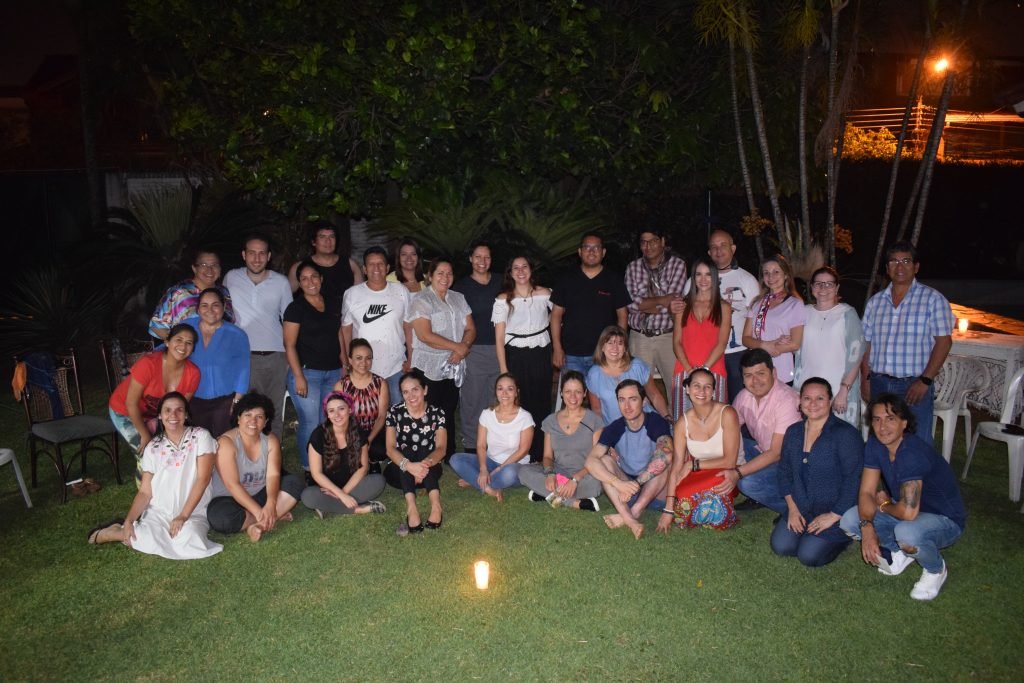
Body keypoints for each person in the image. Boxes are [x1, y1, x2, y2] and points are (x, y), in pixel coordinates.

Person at [840, 394, 966, 600]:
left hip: (944, 519)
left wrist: (885, 505)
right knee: (850, 520)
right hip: (904, 510)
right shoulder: (875, 444)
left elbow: (908, 513)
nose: (882, 427)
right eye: (877, 419)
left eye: (890, 419)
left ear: (904, 423)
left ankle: (936, 569)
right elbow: (867, 492)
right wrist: (867, 527)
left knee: (906, 532)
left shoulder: (912, 453)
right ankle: (899, 551)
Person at [87, 393, 222, 560]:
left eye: (179, 410)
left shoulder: (201, 436)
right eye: (167, 410)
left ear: (186, 414)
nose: (173, 415)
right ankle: (115, 532)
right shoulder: (153, 447)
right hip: (160, 512)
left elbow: (203, 479)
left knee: (191, 541)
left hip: (193, 511)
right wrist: (129, 521)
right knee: (143, 538)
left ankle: (126, 532)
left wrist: (183, 516)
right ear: (160, 415)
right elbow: (145, 492)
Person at [861, 241, 954, 446]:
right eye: (894, 262)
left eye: (906, 261)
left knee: (916, 443)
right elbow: (867, 344)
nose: (899, 267)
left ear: (916, 267)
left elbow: (944, 343)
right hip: (879, 383)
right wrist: (866, 378)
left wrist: (925, 380)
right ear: (887, 269)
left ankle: (917, 470)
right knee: (881, 439)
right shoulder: (876, 303)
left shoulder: (933, 300)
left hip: (913, 385)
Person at [771, 378, 863, 567]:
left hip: (834, 510)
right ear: (800, 401)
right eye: (807, 398)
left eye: (820, 398)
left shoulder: (845, 434)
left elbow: (854, 479)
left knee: (809, 556)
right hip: (801, 507)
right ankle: (805, 529)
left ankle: (845, 536)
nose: (813, 404)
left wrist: (834, 515)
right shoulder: (793, 432)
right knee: (782, 547)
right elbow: (784, 472)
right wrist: (793, 509)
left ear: (830, 401)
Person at [108, 323, 201, 486]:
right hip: (124, 411)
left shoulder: (193, 373)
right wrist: (145, 435)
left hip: (155, 415)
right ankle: (146, 495)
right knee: (147, 453)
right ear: (167, 342)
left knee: (167, 450)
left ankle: (168, 489)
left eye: (189, 343)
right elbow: (131, 403)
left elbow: (179, 409)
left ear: (193, 348)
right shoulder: (149, 364)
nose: (183, 346)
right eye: (178, 340)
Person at [224, 232, 294, 440]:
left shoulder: (281, 282)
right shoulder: (231, 278)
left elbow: (290, 321)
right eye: (252, 253)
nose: (257, 258)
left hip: (276, 356)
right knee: (247, 412)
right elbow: (223, 314)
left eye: (262, 253)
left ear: (269, 256)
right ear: (243, 255)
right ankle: (248, 454)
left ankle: (273, 455)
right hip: (243, 357)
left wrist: (290, 356)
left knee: (274, 412)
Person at [207, 392, 304, 541]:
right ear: (238, 418)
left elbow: (273, 475)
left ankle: (258, 524)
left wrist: (271, 502)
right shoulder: (226, 443)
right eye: (248, 415)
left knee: (294, 483)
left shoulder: (271, 441)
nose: (253, 421)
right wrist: (259, 513)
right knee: (220, 518)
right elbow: (233, 485)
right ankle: (274, 516)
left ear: (265, 422)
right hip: (231, 498)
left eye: (259, 417)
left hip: (261, 494)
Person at [585, 380, 673, 540]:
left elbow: (666, 455)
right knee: (603, 461)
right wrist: (619, 483)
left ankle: (632, 514)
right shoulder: (615, 427)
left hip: (656, 493)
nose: (627, 406)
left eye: (633, 399)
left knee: (662, 462)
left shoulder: (656, 422)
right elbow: (590, 461)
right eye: (622, 400)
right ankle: (631, 520)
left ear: (644, 401)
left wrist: (636, 484)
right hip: (627, 492)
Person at [656, 368, 740, 533]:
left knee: (690, 498)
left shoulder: (727, 413)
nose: (702, 391)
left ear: (713, 391)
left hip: (724, 472)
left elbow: (730, 461)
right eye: (696, 386)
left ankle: (715, 510)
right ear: (687, 389)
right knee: (681, 494)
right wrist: (668, 509)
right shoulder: (683, 423)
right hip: (699, 473)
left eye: (707, 387)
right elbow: (677, 466)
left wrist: (692, 465)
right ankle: (705, 510)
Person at [406, 258, 475, 458]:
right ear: (430, 275)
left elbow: (471, 328)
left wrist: (462, 348)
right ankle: (424, 452)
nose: (445, 277)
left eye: (449, 273)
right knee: (427, 410)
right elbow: (425, 335)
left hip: (453, 364)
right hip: (429, 366)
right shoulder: (421, 299)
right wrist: (458, 347)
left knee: (448, 409)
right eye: (440, 273)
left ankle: (447, 451)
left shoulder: (458, 298)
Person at [720, 349, 802, 513]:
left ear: (774, 373)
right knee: (727, 444)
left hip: (791, 465)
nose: (755, 381)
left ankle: (793, 508)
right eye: (748, 375)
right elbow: (727, 430)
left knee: (747, 482)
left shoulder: (787, 400)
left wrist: (737, 472)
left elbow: (776, 453)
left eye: (760, 373)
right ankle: (761, 495)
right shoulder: (744, 396)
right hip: (764, 451)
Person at [284, 260, 344, 474]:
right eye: (304, 278)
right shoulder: (295, 308)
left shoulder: (332, 302)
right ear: (299, 283)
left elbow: (338, 334)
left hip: (333, 371)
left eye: (314, 277)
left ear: (321, 278)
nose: (310, 282)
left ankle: (325, 462)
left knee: (327, 420)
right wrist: (299, 375)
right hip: (307, 373)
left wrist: (344, 364)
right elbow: (289, 345)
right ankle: (309, 467)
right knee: (310, 422)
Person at [493, 255, 553, 460]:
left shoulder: (545, 294)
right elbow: (499, 338)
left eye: (524, 266)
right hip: (515, 356)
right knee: (520, 402)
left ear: (531, 270)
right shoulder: (503, 299)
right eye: (515, 268)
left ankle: (541, 452)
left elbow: (559, 316)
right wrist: (504, 370)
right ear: (510, 273)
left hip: (540, 353)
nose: (520, 271)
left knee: (541, 401)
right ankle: (520, 452)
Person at [519, 371, 603, 511]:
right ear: (561, 393)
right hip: (559, 472)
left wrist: (575, 480)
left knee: (597, 484)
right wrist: (550, 473)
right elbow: (547, 457)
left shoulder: (594, 420)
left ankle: (546, 494)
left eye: (578, 392)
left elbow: (596, 459)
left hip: (585, 474)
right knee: (523, 471)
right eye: (568, 391)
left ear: (584, 393)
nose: (573, 397)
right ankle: (576, 503)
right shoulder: (550, 421)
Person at [550, 233, 631, 377]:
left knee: (604, 391)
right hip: (571, 354)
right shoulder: (566, 279)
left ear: (603, 252)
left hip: (604, 354)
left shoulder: (614, 280)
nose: (592, 251)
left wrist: (619, 347)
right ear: (580, 251)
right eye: (587, 247)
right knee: (573, 391)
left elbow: (623, 315)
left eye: (596, 248)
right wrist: (557, 348)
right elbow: (556, 315)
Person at [793, 266, 864, 428]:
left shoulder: (847, 313)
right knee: (810, 431)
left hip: (838, 388)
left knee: (840, 433)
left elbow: (856, 355)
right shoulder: (803, 312)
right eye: (818, 284)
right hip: (808, 387)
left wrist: (844, 390)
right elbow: (795, 344)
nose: (823, 288)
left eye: (829, 284)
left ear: (837, 288)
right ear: (812, 287)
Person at [341, 246, 412, 406]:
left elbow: (408, 327)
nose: (376, 268)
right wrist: (346, 362)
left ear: (387, 268)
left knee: (398, 413)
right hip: (363, 368)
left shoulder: (401, 291)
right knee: (368, 413)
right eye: (371, 264)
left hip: (396, 366)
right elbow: (346, 330)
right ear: (364, 269)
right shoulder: (352, 294)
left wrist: (411, 359)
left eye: (380, 264)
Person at [624, 228, 686, 410]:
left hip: (668, 336)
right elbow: (630, 305)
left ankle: (677, 424)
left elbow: (674, 302)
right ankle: (644, 425)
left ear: (663, 242)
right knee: (637, 389)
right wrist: (661, 300)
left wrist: (645, 304)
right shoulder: (633, 267)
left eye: (653, 241)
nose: (648, 246)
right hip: (639, 336)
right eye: (643, 242)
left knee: (677, 388)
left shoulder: (677, 265)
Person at [301, 391, 387, 517]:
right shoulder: (318, 435)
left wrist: (343, 493)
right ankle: (358, 509)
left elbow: (363, 468)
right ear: (327, 415)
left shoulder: (358, 432)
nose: (337, 414)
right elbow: (316, 474)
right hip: (327, 487)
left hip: (353, 485)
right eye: (331, 411)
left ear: (350, 410)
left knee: (379, 481)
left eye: (341, 409)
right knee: (307, 496)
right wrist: (340, 494)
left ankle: (329, 506)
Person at [450, 373, 534, 501]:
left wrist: (500, 468)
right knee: (455, 459)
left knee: (509, 473)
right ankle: (487, 487)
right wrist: (483, 469)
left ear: (516, 392)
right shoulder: (487, 414)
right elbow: (481, 445)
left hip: (514, 465)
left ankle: (474, 480)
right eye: (500, 388)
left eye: (510, 389)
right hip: (490, 462)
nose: (504, 393)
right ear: (496, 392)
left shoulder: (525, 417)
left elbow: (523, 450)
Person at [452, 242, 502, 454]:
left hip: (500, 349)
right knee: (473, 400)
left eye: (487, 257)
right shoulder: (461, 287)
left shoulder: (501, 282)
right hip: (474, 350)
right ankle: (472, 444)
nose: (482, 261)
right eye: (478, 257)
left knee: (496, 397)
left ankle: (494, 442)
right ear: (470, 259)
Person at [383, 371, 447, 535]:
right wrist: (410, 466)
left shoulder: (437, 413)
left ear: (425, 390)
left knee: (424, 449)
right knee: (407, 450)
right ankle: (411, 508)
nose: (411, 396)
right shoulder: (394, 412)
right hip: (400, 472)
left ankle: (436, 505)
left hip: (429, 470)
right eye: (405, 392)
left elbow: (441, 448)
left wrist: (424, 465)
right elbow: (390, 448)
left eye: (415, 389)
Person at [183, 288, 251, 437]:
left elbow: (243, 369)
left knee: (224, 441)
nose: (210, 310)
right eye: (204, 305)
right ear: (198, 309)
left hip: (225, 401)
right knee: (197, 441)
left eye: (215, 305)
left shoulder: (237, 334)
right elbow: (170, 350)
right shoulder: (186, 328)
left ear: (224, 307)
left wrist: (237, 402)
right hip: (191, 398)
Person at [703, 229, 760, 401]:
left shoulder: (747, 280)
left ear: (733, 248)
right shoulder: (698, 279)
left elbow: (757, 318)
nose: (718, 250)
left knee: (740, 401)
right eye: (714, 247)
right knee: (710, 402)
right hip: (707, 352)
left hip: (738, 352)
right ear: (709, 252)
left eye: (723, 245)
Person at [672, 257, 731, 419]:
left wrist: (704, 369)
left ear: (714, 277)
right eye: (698, 274)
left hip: (714, 370)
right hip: (684, 370)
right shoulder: (682, 305)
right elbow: (676, 342)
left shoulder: (724, 307)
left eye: (708, 274)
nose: (703, 279)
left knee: (714, 422)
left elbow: (722, 343)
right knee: (683, 422)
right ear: (693, 277)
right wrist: (690, 370)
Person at [586, 325, 669, 425]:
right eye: (610, 343)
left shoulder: (637, 366)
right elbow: (596, 409)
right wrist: (602, 432)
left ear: (625, 348)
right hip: (615, 428)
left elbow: (654, 395)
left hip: (645, 424)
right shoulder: (594, 375)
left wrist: (666, 417)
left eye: (620, 343)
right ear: (602, 347)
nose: (615, 348)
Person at [742, 254, 805, 385]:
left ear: (786, 275)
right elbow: (746, 339)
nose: (771, 277)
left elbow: (795, 343)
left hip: (781, 370)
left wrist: (772, 348)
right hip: (756, 369)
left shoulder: (795, 304)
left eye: (776, 272)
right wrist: (765, 345)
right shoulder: (756, 303)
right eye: (766, 273)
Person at [149, 249, 234, 340]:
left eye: (214, 265)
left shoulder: (224, 292)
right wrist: (178, 343)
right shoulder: (179, 293)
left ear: (220, 269)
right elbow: (156, 326)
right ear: (194, 268)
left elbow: (230, 323)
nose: (209, 270)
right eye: (203, 265)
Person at [333, 338, 389, 468]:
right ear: (350, 360)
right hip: (351, 430)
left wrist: (367, 441)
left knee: (379, 450)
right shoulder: (341, 386)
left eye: (368, 358)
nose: (364, 362)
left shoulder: (380, 383)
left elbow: (382, 416)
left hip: (374, 430)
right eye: (358, 358)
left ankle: (373, 461)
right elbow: (338, 417)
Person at [288, 221, 363, 316]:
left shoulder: (350, 265)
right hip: (313, 321)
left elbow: (361, 296)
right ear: (313, 242)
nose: (328, 241)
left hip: (345, 320)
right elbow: (286, 297)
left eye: (332, 237)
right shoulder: (300, 267)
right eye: (322, 237)